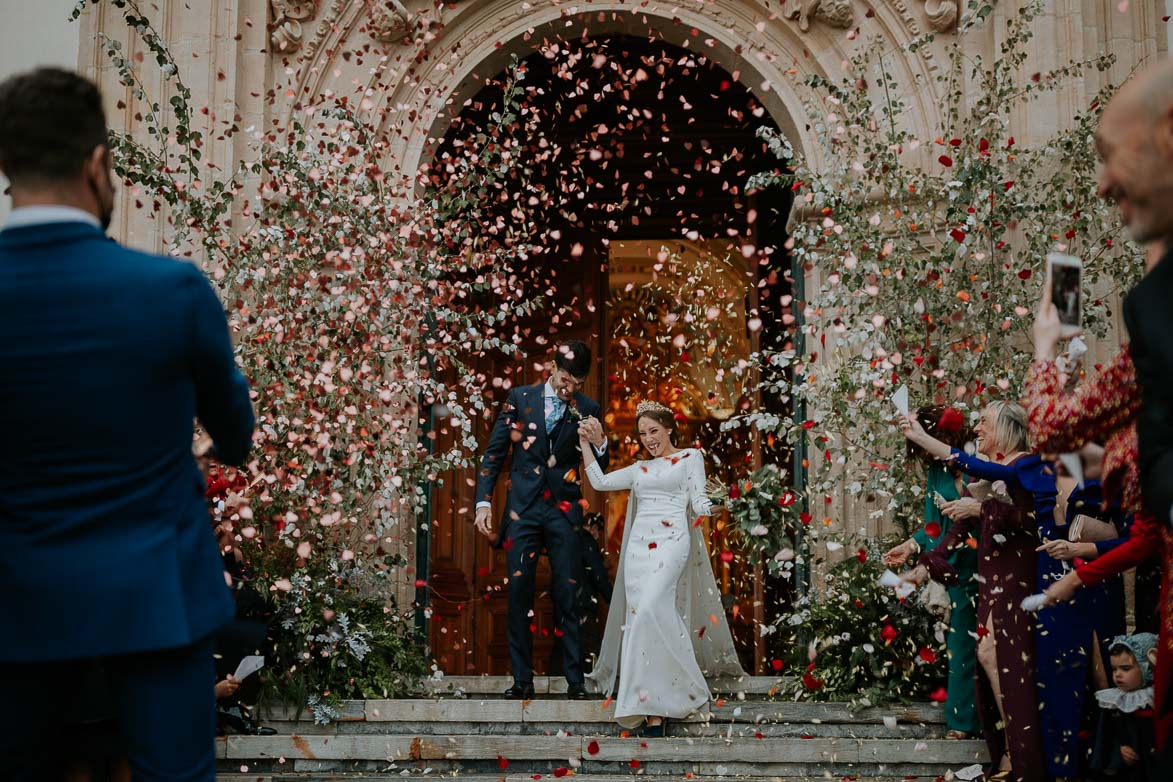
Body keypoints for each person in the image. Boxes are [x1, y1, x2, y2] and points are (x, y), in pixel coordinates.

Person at [0, 68, 255, 781]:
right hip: (156, 592)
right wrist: (210, 446)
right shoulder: (171, 292)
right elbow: (235, 430)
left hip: (15, 594)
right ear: (98, 164)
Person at [900, 402, 1051, 782]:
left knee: (1008, 663)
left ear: (1008, 428)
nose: (977, 427)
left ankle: (1022, 758)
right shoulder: (986, 475)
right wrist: (928, 561)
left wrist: (981, 509)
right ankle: (1009, 750)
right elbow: (958, 527)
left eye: (985, 421)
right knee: (987, 656)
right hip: (990, 578)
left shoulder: (1026, 465)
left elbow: (1034, 523)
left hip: (1018, 577)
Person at [580, 401, 745, 736]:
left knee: (653, 609)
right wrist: (584, 442)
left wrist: (723, 503)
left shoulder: (690, 458)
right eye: (642, 433)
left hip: (672, 543)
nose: (649, 439)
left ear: (669, 428)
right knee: (645, 621)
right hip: (639, 551)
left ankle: (681, 689)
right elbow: (598, 481)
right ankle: (652, 707)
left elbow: (698, 502)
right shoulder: (640, 469)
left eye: (654, 430)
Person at [474, 340, 608, 700]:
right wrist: (483, 503)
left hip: (564, 512)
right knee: (519, 591)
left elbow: (600, 469)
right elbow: (494, 453)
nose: (569, 389)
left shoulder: (589, 408)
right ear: (552, 367)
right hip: (523, 510)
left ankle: (575, 680)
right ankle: (522, 680)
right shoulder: (519, 398)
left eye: (576, 384)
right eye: (565, 379)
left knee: (570, 593)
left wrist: (602, 442)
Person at [883, 405, 980, 741]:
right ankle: (962, 724)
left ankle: (982, 724)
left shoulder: (976, 462)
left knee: (990, 649)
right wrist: (910, 546)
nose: (924, 454)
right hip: (954, 568)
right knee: (961, 645)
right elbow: (932, 527)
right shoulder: (936, 472)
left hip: (989, 561)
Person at [1091, 634, 1160, 781]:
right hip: (1128, 771)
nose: (1118, 675)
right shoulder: (1114, 702)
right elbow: (1108, 735)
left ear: (1146, 667)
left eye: (1125, 668)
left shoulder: (1155, 699)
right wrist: (1119, 749)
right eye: (1114, 669)